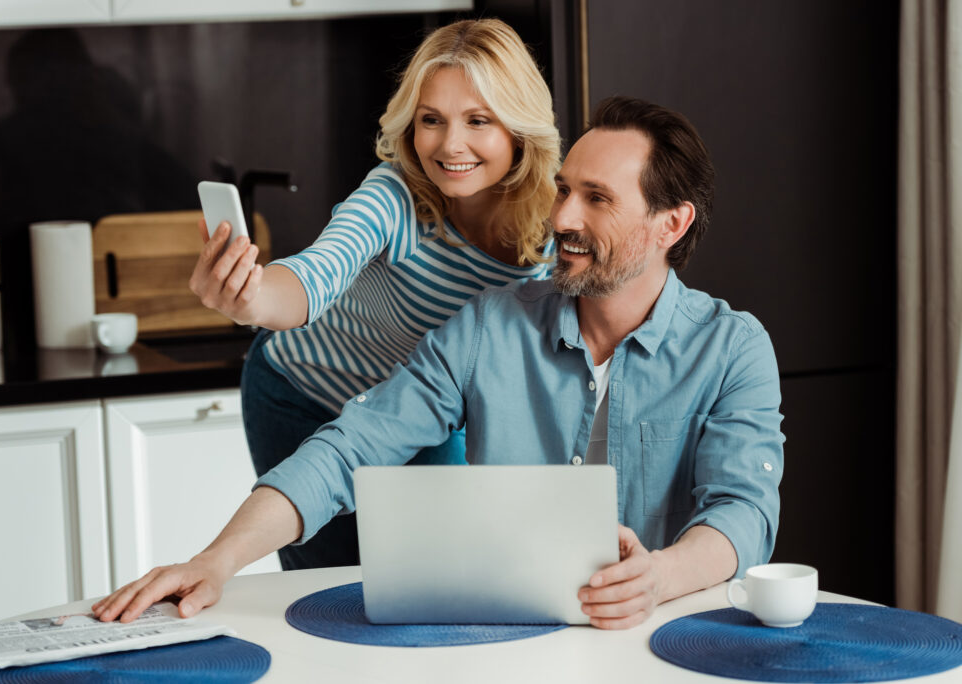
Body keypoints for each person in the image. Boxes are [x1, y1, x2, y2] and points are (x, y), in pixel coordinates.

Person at [94, 95, 784, 630]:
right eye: (564, 189)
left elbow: (743, 513)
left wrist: (657, 578)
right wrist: (213, 564)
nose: (563, 216)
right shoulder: (490, 326)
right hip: (511, 639)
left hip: (660, 638)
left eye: (597, 199)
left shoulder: (733, 349)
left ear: (672, 224)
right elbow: (346, 449)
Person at [187, 18, 560, 570]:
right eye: (431, 120)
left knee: (437, 581)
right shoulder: (395, 195)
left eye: (478, 120)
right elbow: (315, 274)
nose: (450, 144)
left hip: (419, 417)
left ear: (519, 130)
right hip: (301, 395)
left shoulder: (554, 230)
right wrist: (251, 296)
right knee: (324, 588)